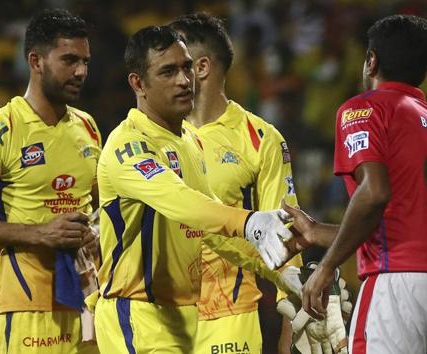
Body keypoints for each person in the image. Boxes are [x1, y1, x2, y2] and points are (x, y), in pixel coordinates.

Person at [93, 25, 294, 353]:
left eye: (186, 67)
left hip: (186, 318)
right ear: (138, 83)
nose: (184, 80)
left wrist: (284, 278)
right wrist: (249, 221)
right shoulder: (128, 145)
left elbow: (213, 231)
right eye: (168, 72)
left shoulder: (187, 142)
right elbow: (180, 201)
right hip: (137, 316)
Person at [278, 14, 427, 354]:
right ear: (424, 71)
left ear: (371, 60)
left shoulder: (366, 108)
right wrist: (318, 232)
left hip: (400, 287)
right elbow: (405, 225)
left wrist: (327, 265)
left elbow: (375, 193)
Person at [0, 9, 101, 354]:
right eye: (70, 60)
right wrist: (39, 233)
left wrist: (97, 234)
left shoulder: (88, 128)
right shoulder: (0, 132)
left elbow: (97, 205)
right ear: (36, 61)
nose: (81, 71)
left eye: (85, 61)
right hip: (27, 307)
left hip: (88, 304)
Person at [168, 13, 304, 354]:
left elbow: (287, 239)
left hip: (229, 314)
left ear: (200, 68)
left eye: (174, 65)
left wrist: (291, 332)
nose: (166, 74)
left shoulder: (260, 140)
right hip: (159, 313)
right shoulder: (152, 135)